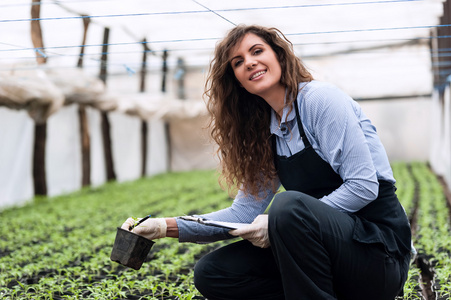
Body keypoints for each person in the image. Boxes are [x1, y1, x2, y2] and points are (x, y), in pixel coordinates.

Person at [121, 24, 413, 300]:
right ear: (235, 79)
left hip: (377, 254)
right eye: (237, 61)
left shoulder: (320, 101)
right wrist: (163, 227)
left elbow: (363, 186)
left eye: (257, 51)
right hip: (323, 255)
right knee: (213, 273)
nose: (249, 62)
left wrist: (278, 224)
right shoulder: (267, 131)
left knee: (288, 206)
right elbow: (243, 214)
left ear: (279, 55)